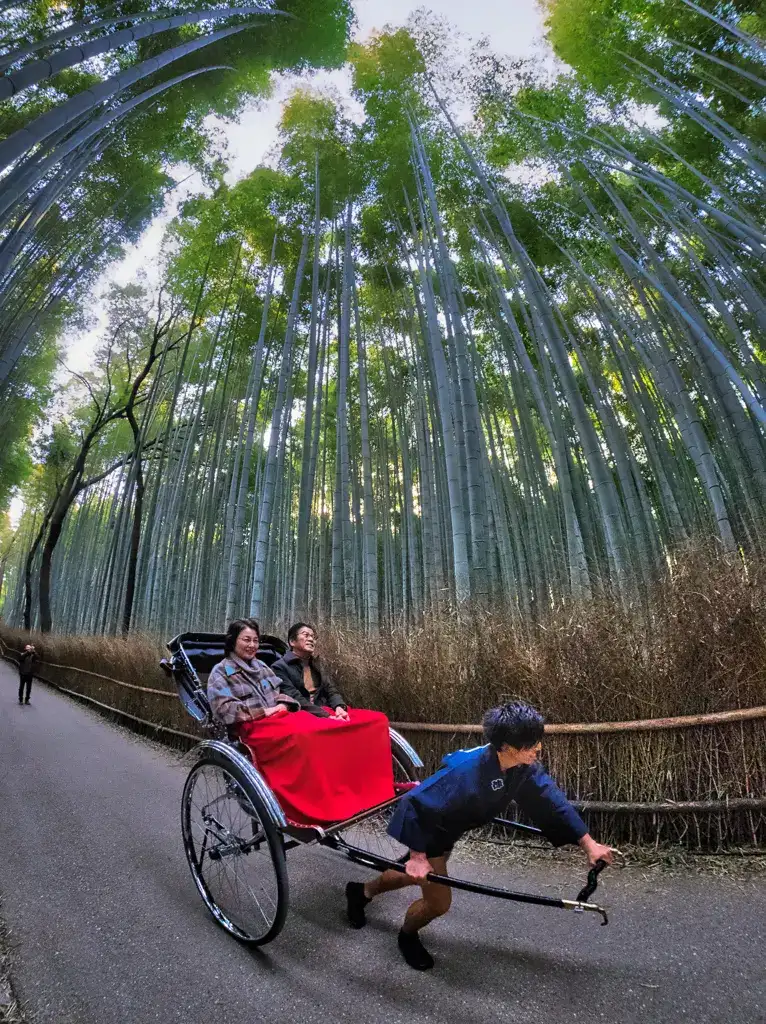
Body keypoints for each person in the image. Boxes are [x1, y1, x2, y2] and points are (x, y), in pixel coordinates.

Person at [345, 700, 615, 971]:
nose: (538, 748)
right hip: (431, 833)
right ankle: (407, 935)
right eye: (531, 744)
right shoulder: (465, 771)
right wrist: (418, 855)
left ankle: (361, 892)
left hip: (450, 828)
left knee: (408, 875)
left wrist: (588, 844)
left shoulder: (520, 767)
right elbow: (414, 804)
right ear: (507, 747)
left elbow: (550, 800)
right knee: (438, 902)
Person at [207, 619, 299, 729]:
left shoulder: (262, 667)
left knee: (317, 724)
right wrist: (263, 712)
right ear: (233, 641)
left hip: (278, 720)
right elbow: (224, 710)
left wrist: (284, 705)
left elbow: (282, 691)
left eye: (255, 641)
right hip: (251, 729)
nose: (252, 645)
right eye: (247, 640)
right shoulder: (221, 672)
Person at [272, 623, 349, 720]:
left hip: (324, 708)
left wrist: (339, 707)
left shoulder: (318, 664)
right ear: (292, 641)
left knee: (370, 720)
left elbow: (331, 690)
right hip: (299, 712)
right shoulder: (279, 667)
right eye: (306, 635)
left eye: (313, 637)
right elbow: (294, 697)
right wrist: (327, 716)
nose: (311, 639)